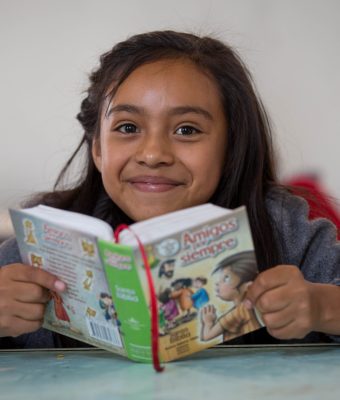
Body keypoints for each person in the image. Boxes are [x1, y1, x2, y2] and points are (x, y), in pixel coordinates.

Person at [0, 30, 339, 350]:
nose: (153, 154)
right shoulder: (39, 245)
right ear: (98, 149)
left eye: (187, 129)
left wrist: (322, 306)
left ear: (231, 146)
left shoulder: (282, 228)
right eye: (128, 127)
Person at [201, 251, 262, 342]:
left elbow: (207, 336)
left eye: (226, 278)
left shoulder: (238, 312)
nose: (218, 282)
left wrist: (208, 322)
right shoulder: (244, 308)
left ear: (248, 286)